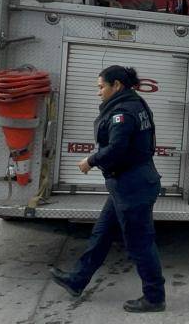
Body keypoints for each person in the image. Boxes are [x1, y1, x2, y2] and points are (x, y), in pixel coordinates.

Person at [49, 65, 166, 313]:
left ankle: (154, 297)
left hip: (132, 186)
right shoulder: (137, 103)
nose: (98, 92)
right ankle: (77, 280)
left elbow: (117, 149)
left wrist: (90, 161)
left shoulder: (122, 113)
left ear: (117, 86)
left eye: (101, 87)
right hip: (127, 184)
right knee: (101, 234)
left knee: (140, 243)